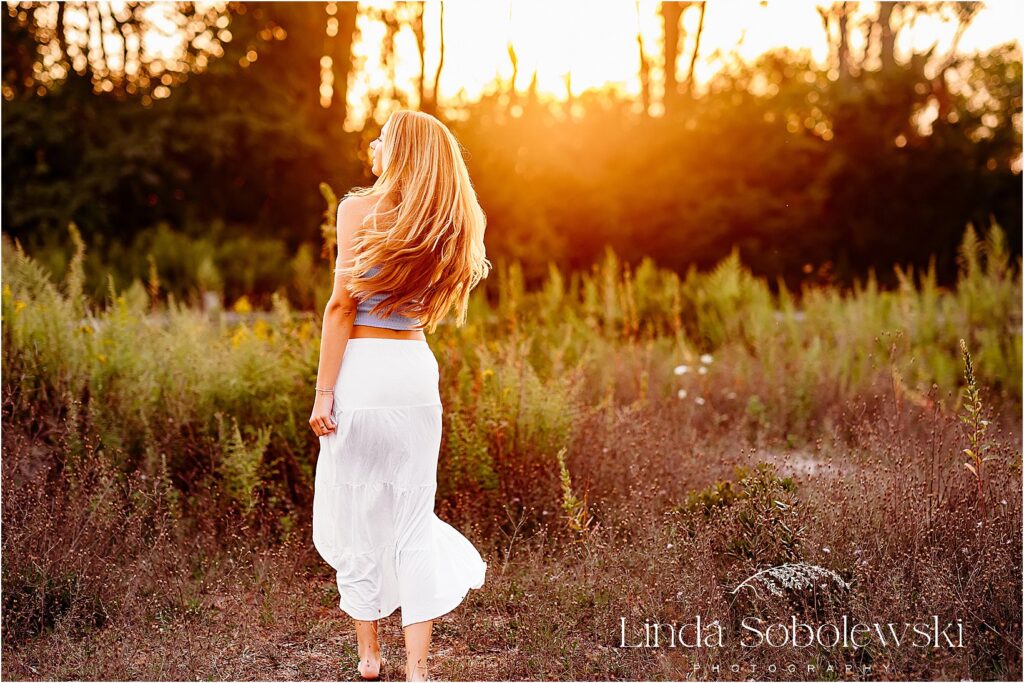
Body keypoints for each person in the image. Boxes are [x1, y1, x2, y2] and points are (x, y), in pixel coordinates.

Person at [309, 110, 491, 682]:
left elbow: (341, 307)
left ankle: (369, 658)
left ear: (401, 149)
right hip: (414, 370)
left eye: (383, 137)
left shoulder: (357, 210)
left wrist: (323, 392)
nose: (373, 143)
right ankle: (418, 671)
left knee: (358, 510)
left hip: (362, 371)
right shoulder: (448, 220)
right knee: (413, 518)